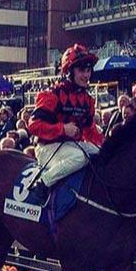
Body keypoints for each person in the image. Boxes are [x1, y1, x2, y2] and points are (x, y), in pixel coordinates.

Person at [28, 44, 104, 198]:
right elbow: (34, 126)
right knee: (79, 157)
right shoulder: (52, 95)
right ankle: (42, 183)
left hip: (70, 146)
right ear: (69, 71)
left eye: (88, 70)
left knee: (100, 154)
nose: (86, 75)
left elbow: (90, 131)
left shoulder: (88, 100)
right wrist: (63, 129)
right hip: (47, 148)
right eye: (81, 70)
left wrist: (107, 145)